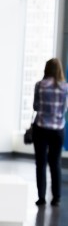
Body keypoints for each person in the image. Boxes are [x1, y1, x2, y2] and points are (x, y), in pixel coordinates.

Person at [31, 57, 68, 206]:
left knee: (41, 163)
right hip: (58, 129)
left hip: (41, 128)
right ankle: (56, 198)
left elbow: (35, 106)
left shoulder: (39, 85)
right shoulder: (65, 87)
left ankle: (41, 197)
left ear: (46, 69)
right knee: (55, 162)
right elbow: (65, 109)